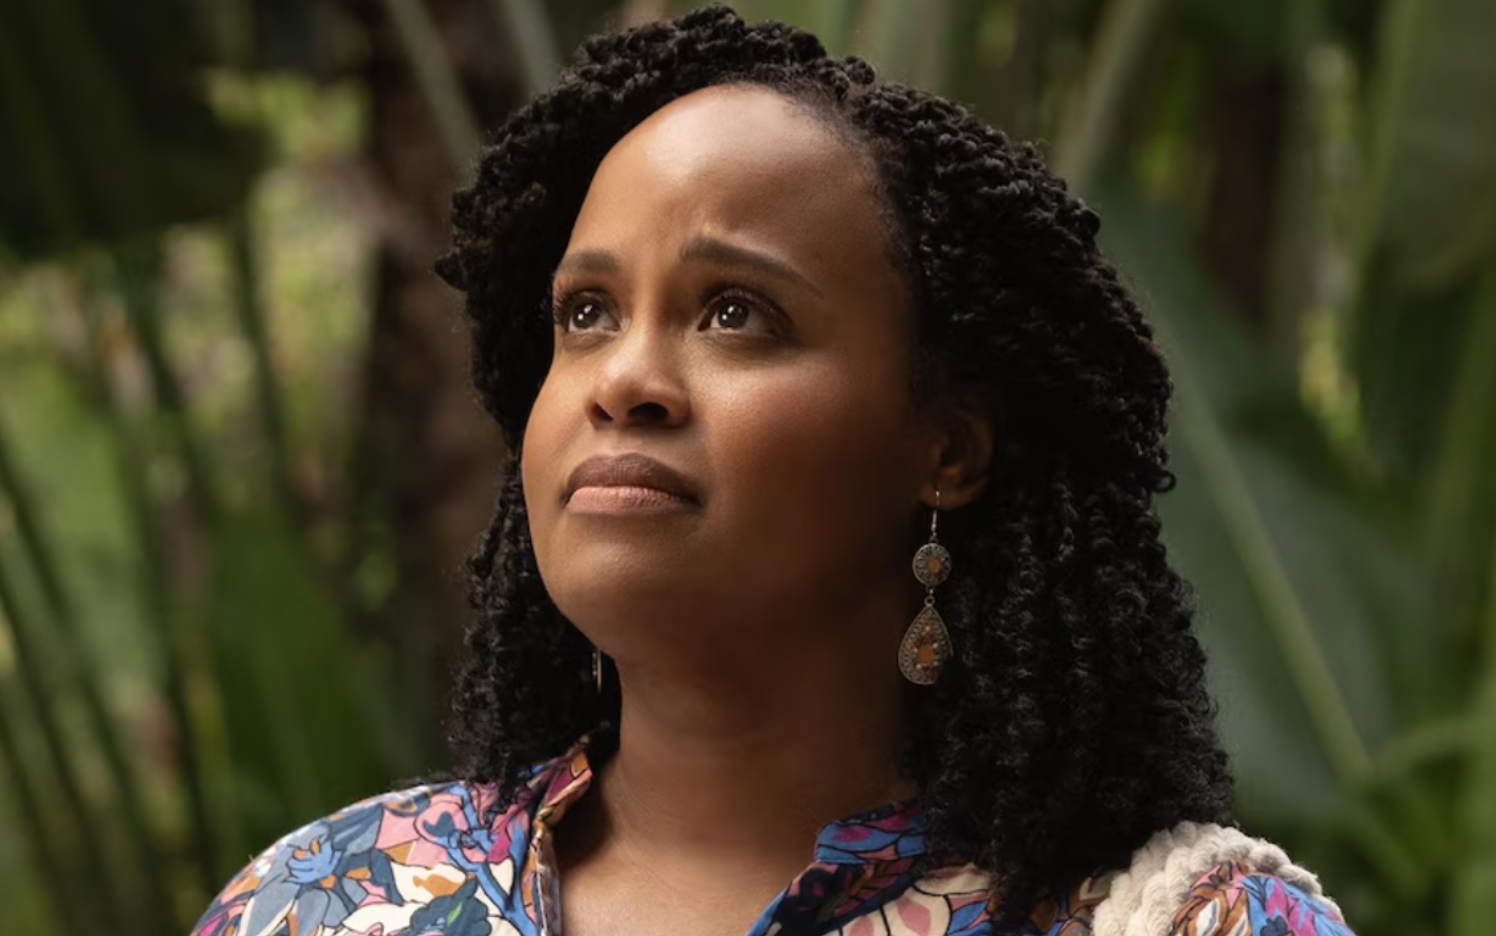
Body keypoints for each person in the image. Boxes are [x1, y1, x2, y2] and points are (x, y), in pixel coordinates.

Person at [187, 6, 1356, 936]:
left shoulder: (1185, 922)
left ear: (944, 448)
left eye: (735, 313)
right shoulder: (327, 901)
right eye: (585, 313)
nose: (623, 378)